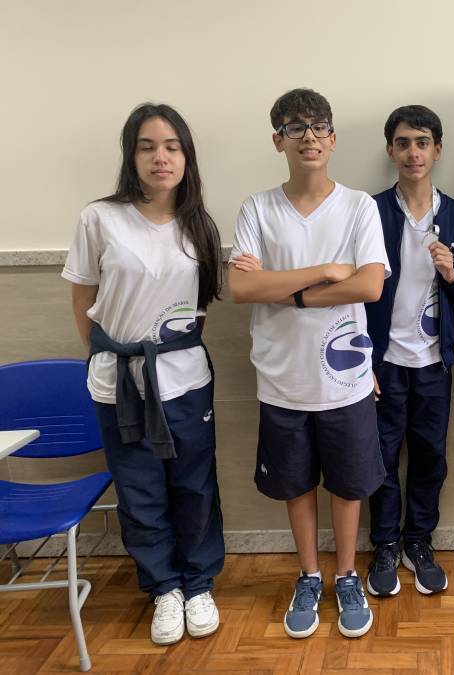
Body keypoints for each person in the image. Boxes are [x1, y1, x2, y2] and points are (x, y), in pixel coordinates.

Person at [228, 88, 389, 638]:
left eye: (319, 126)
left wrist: (288, 293)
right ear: (279, 140)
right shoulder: (257, 208)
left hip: (346, 379)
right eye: (296, 128)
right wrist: (323, 271)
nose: (309, 137)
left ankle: (346, 576)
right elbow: (242, 288)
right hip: (282, 380)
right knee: (296, 486)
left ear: (334, 138)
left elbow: (368, 285)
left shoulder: (359, 206)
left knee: (347, 486)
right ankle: (309, 575)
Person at [62, 103, 225, 645]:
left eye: (172, 147)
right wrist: (109, 356)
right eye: (148, 147)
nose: (161, 158)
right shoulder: (99, 219)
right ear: (131, 156)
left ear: (187, 157)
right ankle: (164, 589)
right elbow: (83, 300)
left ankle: (198, 584)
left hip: (185, 379)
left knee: (194, 485)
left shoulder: (199, 224)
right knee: (140, 489)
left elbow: (200, 308)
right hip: (119, 383)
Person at [364, 105, 454, 597]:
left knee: (431, 456)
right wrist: (363, 359)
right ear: (391, 150)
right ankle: (385, 543)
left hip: (434, 361)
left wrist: (451, 273)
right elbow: (358, 292)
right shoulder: (370, 210)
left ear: (438, 150)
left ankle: (419, 541)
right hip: (384, 362)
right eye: (404, 143)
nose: (413, 152)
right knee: (382, 457)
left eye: (423, 142)